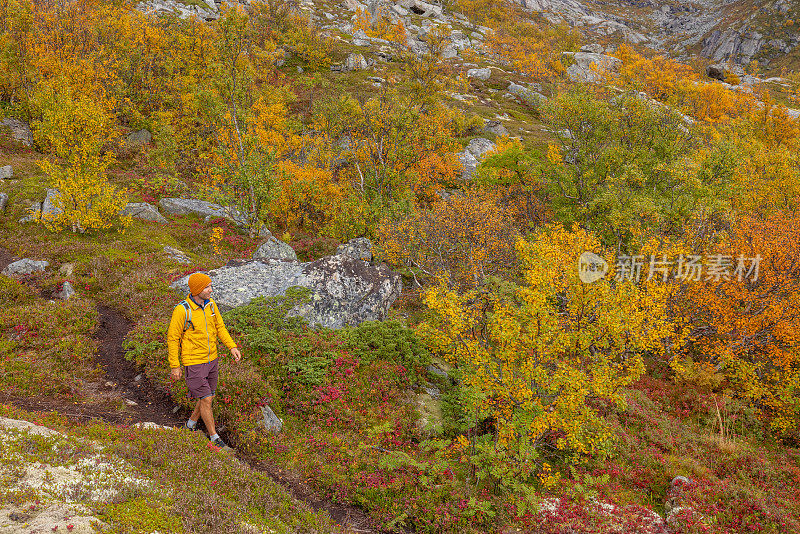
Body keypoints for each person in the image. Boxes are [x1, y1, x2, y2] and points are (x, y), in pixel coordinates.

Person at [167, 272, 241, 450]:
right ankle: (214, 437)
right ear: (197, 290)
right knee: (207, 399)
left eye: (210, 286)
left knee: (208, 397)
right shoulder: (182, 310)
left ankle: (190, 425)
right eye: (207, 287)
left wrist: (231, 346)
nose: (211, 290)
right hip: (194, 362)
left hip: (212, 360)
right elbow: (172, 338)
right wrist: (175, 365)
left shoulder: (211, 306)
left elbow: (220, 327)